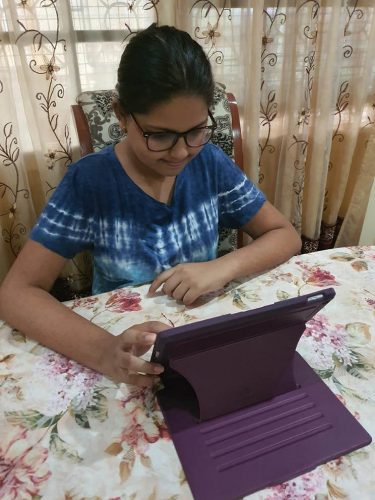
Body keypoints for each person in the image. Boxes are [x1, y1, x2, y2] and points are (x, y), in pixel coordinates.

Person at [0, 24, 301, 387]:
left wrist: (222, 267)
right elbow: (17, 293)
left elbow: (284, 235)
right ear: (122, 115)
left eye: (195, 130)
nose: (180, 152)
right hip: (128, 350)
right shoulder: (90, 183)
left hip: (206, 342)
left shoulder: (209, 163)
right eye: (158, 135)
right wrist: (105, 352)